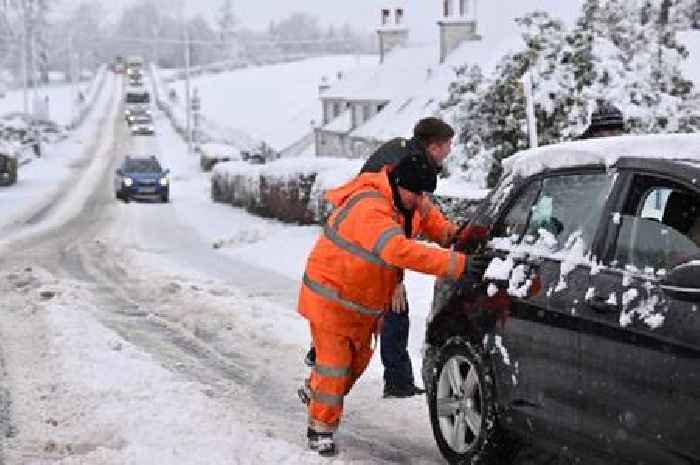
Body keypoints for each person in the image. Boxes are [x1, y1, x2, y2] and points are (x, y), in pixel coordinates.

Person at [297, 150, 489, 456]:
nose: (420, 199)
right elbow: (399, 251)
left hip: (362, 304)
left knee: (354, 365)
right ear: (400, 185)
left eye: (423, 193)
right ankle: (320, 430)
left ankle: (314, 389)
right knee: (334, 367)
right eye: (416, 193)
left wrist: (456, 236)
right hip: (331, 296)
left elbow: (432, 222)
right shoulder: (370, 207)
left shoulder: (408, 200)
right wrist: (456, 264)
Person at [305, 117, 466, 398]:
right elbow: (387, 233)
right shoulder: (400, 170)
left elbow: (422, 211)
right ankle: (394, 381)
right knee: (385, 320)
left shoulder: (409, 163)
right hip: (361, 262)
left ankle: (324, 366)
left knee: (357, 333)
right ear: (432, 146)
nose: (450, 151)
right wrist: (395, 281)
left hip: (373, 260)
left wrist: (449, 234)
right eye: (446, 145)